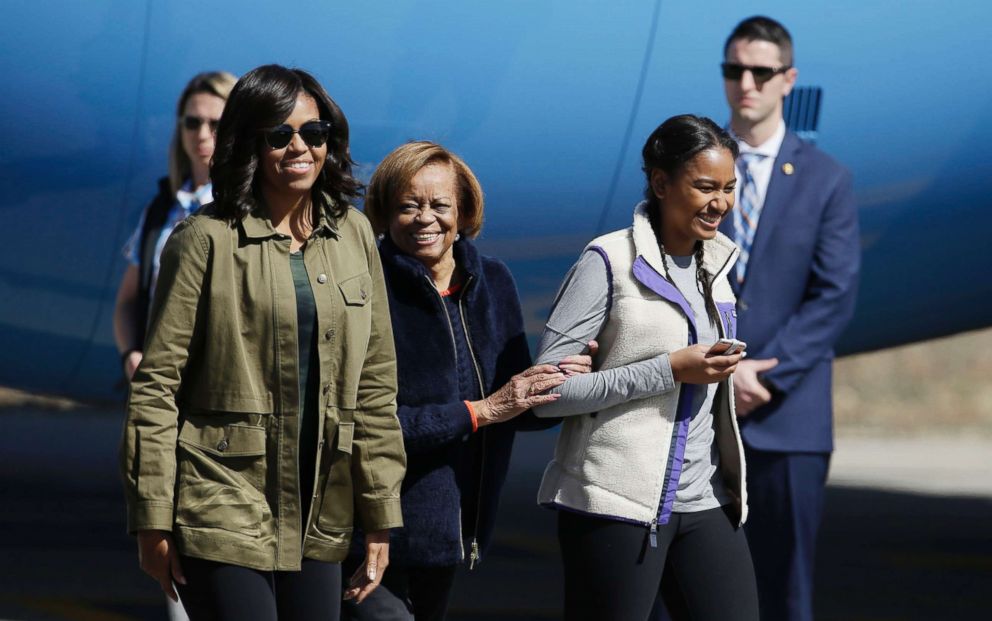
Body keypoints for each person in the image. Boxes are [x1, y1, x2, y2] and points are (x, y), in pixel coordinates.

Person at [119, 64, 407, 621]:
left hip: (323, 505)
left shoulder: (352, 234)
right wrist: (152, 518)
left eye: (314, 133)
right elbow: (156, 388)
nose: (300, 146)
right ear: (251, 143)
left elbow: (376, 382)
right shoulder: (204, 239)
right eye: (280, 135)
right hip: (222, 500)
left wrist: (380, 513)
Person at [346, 140, 594, 621]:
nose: (425, 218)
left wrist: (562, 380)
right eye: (407, 206)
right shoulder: (363, 285)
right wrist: (481, 411)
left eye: (439, 205)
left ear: (463, 212)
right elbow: (367, 425)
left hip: (452, 534)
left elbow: (514, 408)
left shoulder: (493, 280)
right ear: (383, 212)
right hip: (371, 531)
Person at [533, 115, 759, 621]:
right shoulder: (607, 261)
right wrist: (668, 370)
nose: (719, 203)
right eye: (704, 187)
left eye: (728, 188)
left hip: (704, 500)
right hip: (615, 502)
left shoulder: (718, 267)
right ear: (661, 183)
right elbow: (544, 395)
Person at [716, 17, 860, 621]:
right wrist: (721, 371)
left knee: (782, 590)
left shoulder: (826, 179)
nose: (745, 83)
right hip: (700, 411)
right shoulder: (691, 171)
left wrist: (761, 375)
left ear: (787, 80)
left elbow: (835, 294)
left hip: (787, 419)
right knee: (687, 589)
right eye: (734, 71)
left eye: (761, 72)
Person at [115, 70, 237, 382]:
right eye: (192, 122)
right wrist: (131, 354)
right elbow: (128, 300)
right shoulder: (160, 210)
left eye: (217, 124)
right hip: (158, 388)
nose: (203, 134)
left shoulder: (250, 211)